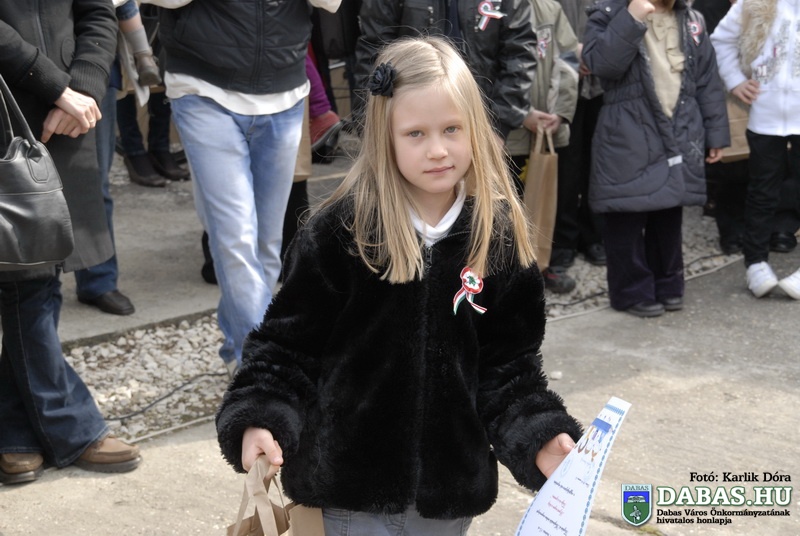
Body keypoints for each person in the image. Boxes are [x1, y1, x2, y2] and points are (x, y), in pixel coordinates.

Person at [216, 37, 583, 534]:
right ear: (384, 137)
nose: (438, 149)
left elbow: (509, 370)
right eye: (415, 134)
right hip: (348, 495)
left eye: (452, 129)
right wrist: (260, 416)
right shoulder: (340, 233)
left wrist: (540, 436)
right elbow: (286, 349)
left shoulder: (498, 240)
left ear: (475, 128)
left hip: (447, 500)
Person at [157, 0, 341, 377]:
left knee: (266, 246)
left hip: (284, 91)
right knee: (235, 239)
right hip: (203, 88)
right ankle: (262, 371)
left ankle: (238, 345)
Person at [0, 0, 141, 485]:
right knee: (25, 277)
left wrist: (81, 86)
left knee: (41, 268)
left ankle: (15, 433)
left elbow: (99, 13)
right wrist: (57, 87)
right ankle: (71, 426)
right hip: (12, 106)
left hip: (68, 114)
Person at [581, 0, 729, 317]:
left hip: (680, 126)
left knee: (669, 212)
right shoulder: (608, 14)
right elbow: (602, 65)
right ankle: (631, 291)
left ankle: (668, 284)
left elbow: (707, 79)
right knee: (626, 212)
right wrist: (632, 17)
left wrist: (715, 133)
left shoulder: (691, 19)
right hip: (627, 130)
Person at [711, 0, 800, 298]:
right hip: (766, 116)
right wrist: (735, 80)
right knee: (762, 190)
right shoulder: (755, 4)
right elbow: (721, 39)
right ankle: (756, 263)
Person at [353, 0, 537, 142]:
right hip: (412, 124)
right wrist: (370, 129)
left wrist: (499, 127)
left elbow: (519, 53)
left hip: (482, 121)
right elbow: (373, 52)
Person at [505, 0, 581, 293]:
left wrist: (560, 111)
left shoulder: (549, 8)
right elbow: (482, 65)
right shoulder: (487, 8)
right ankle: (506, 274)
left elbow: (568, 59)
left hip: (546, 128)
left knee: (546, 200)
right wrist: (520, 113)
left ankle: (543, 265)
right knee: (507, 205)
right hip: (507, 132)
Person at [74, 60, 136, 316]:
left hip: (92, 72)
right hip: (18, 72)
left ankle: (98, 280)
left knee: (94, 184)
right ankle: (19, 284)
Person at [549, 0, 608, 271]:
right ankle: (564, 240)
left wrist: (599, 53)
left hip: (603, 82)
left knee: (599, 161)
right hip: (558, 82)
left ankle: (594, 234)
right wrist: (574, 53)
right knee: (566, 166)